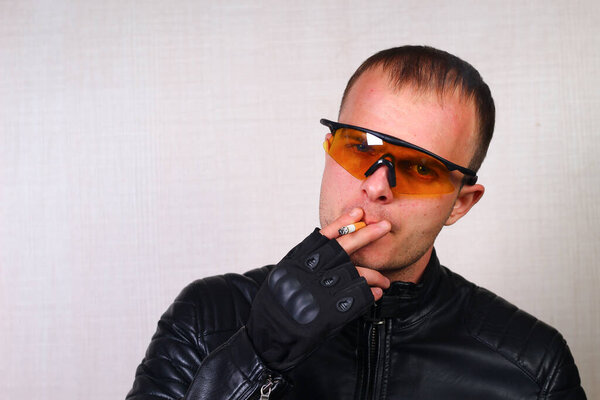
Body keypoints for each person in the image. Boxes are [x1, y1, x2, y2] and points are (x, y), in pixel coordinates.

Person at [126, 46, 586, 399]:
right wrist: (258, 355)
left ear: (460, 204)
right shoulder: (208, 317)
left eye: (420, 168)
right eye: (359, 147)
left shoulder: (532, 366)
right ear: (328, 148)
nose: (376, 186)